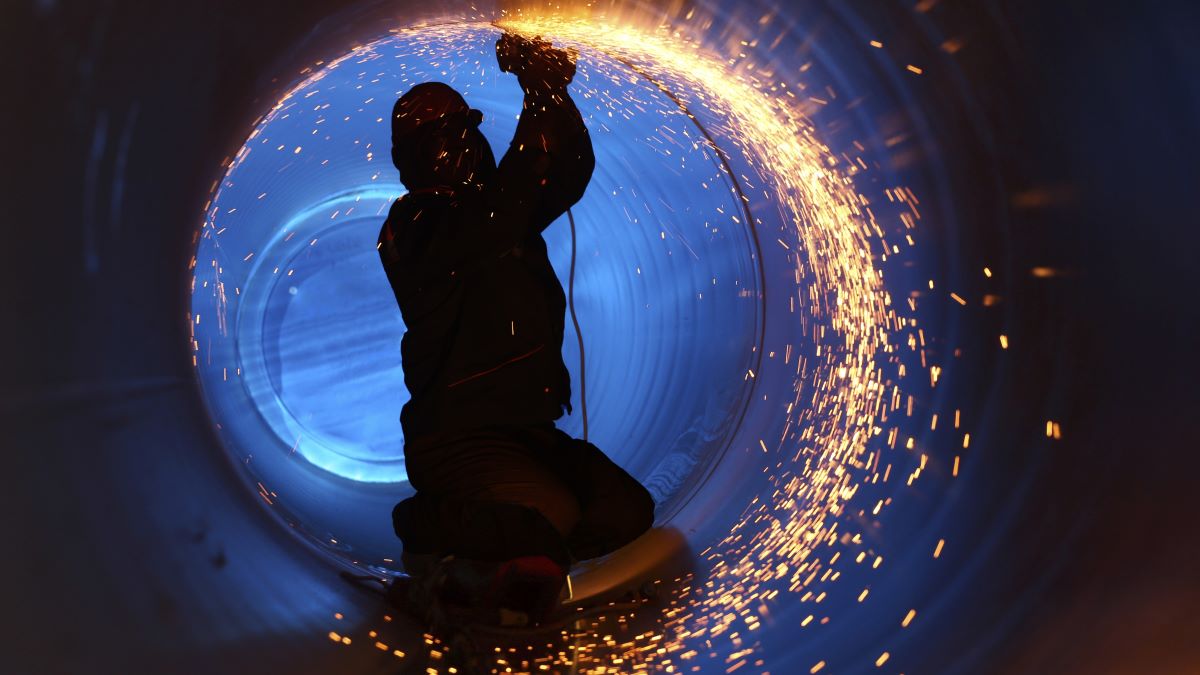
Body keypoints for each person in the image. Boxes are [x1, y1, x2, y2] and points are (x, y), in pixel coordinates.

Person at [377, 33, 655, 624]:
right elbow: (508, 204)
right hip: (456, 438)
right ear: (417, 151)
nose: (465, 141)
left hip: (525, 427)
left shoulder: (497, 211)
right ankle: (428, 532)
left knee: (625, 509)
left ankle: (517, 564)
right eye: (447, 132)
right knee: (546, 513)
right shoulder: (416, 225)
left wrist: (544, 92)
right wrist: (539, 97)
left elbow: (562, 172)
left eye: (467, 124)